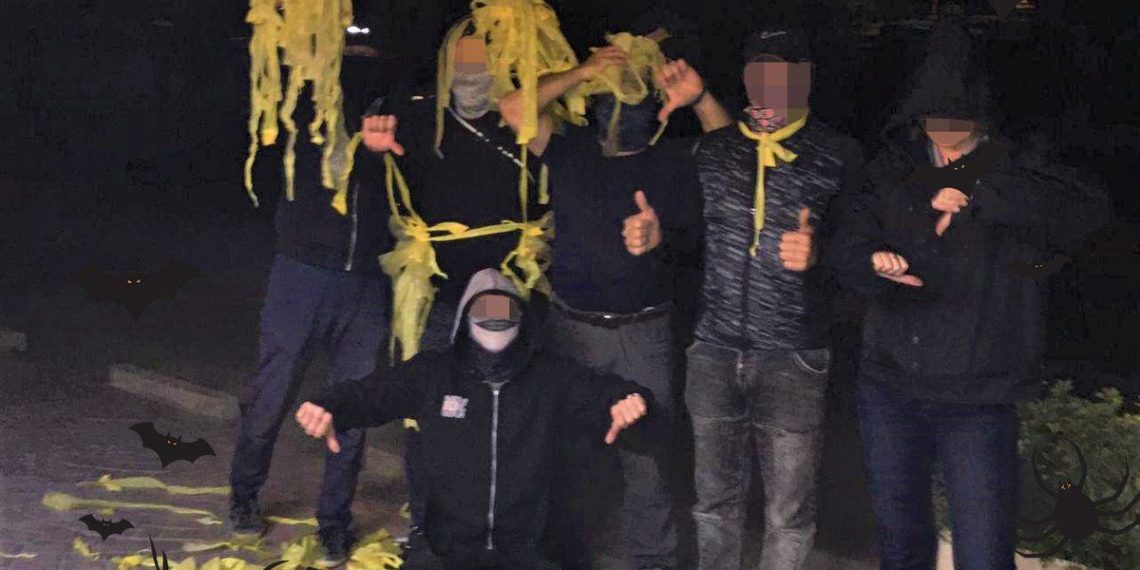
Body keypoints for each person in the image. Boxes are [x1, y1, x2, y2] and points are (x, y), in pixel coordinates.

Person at [823, 17, 1112, 570]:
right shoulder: (894, 166)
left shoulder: (1017, 164)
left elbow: (1087, 212)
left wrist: (980, 193)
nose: (942, 129)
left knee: (983, 550)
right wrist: (872, 263)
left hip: (978, 396)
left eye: (954, 115)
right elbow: (848, 241)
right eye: (931, 116)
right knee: (900, 541)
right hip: (890, 385)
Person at [497, 33, 732, 570]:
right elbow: (513, 107)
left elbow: (733, 150)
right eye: (608, 94)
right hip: (572, 328)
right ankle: (557, 553)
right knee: (564, 446)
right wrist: (581, 71)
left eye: (632, 95)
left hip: (642, 333)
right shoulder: (571, 149)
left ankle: (653, 559)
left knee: (646, 453)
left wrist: (700, 99)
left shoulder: (675, 160)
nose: (619, 107)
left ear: (655, 106)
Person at [294, 268, 656, 570]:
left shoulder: (552, 377)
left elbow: (605, 392)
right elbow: (370, 394)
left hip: (535, 551)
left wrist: (626, 401)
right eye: (484, 309)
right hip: (447, 548)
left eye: (504, 309)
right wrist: (328, 406)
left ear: (522, 317)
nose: (494, 318)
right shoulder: (433, 374)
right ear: (464, 318)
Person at [356, 16, 548, 555]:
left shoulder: (522, 127)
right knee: (429, 415)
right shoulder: (420, 124)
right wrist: (373, 152)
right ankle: (426, 527)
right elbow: (376, 191)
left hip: (507, 296)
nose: (471, 74)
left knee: (506, 419)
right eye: (462, 62)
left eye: (481, 62)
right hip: (437, 299)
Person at [684, 27, 865, 570]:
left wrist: (820, 253)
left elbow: (862, 256)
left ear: (805, 79)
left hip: (794, 356)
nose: (771, 83)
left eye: (784, 71)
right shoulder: (712, 151)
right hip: (713, 351)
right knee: (713, 504)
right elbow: (682, 240)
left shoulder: (838, 154)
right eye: (760, 69)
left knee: (788, 513)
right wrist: (649, 236)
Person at [227, 35, 393, 567]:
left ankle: (334, 522)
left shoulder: (401, 107)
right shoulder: (302, 96)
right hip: (300, 274)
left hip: (367, 282)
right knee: (272, 395)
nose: (358, 53)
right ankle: (243, 494)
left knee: (354, 407)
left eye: (366, 42)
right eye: (347, 42)